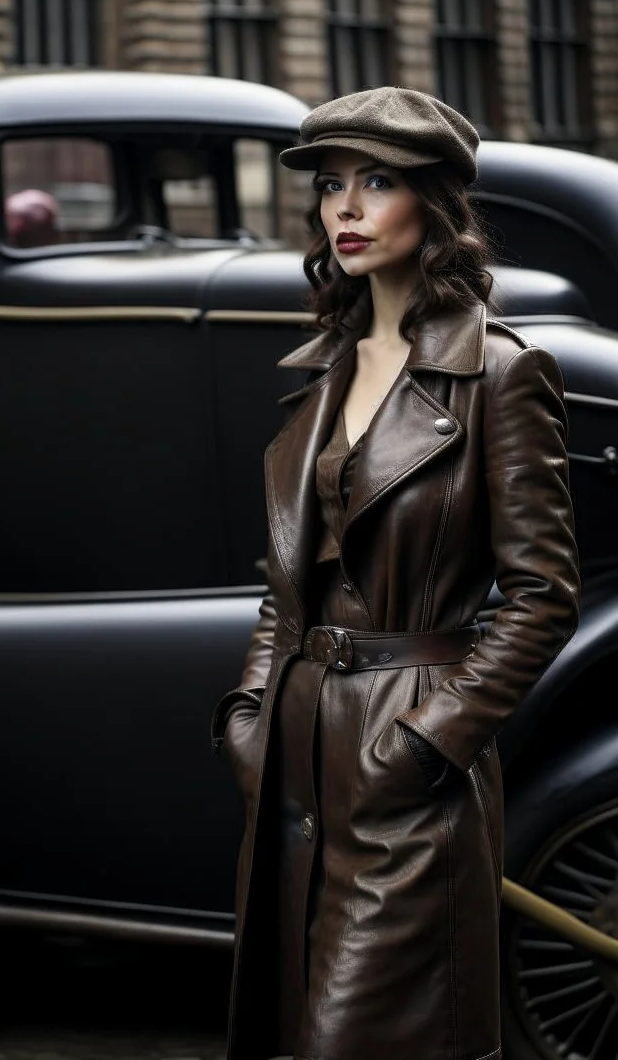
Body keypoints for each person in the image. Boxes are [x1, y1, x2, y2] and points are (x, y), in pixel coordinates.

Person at [211, 86, 581, 1060]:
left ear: (436, 205)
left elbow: (543, 596)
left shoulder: (501, 374)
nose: (346, 207)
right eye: (332, 184)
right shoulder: (322, 367)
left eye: (377, 182)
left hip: (402, 759)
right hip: (292, 759)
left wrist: (426, 745)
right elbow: (282, 581)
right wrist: (249, 716)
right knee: (288, 1026)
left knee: (361, 1037)